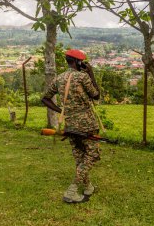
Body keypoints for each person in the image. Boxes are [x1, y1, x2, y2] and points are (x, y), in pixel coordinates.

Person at [42, 49, 101, 203]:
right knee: (93, 154)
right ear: (78, 62)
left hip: (70, 124)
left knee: (80, 156)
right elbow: (96, 95)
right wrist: (91, 74)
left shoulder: (58, 78)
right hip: (87, 124)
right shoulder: (83, 77)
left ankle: (88, 187)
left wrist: (61, 110)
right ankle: (72, 190)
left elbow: (45, 99)